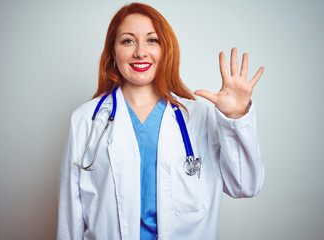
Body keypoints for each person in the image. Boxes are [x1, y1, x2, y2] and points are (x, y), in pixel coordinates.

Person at [57, 2, 264, 240]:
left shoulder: (198, 117)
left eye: (152, 40)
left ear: (165, 49)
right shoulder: (86, 120)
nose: (140, 52)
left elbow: (245, 186)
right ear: (113, 52)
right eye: (128, 41)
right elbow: (70, 218)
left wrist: (236, 117)